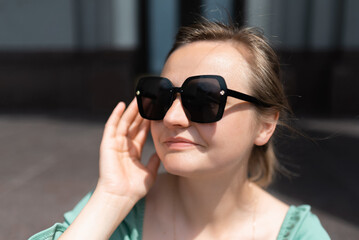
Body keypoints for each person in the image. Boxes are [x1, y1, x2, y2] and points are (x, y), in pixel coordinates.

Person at [29, 20, 330, 240]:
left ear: (265, 126)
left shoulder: (297, 234)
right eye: (161, 96)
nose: (172, 117)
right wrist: (111, 198)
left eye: (204, 98)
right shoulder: (124, 213)